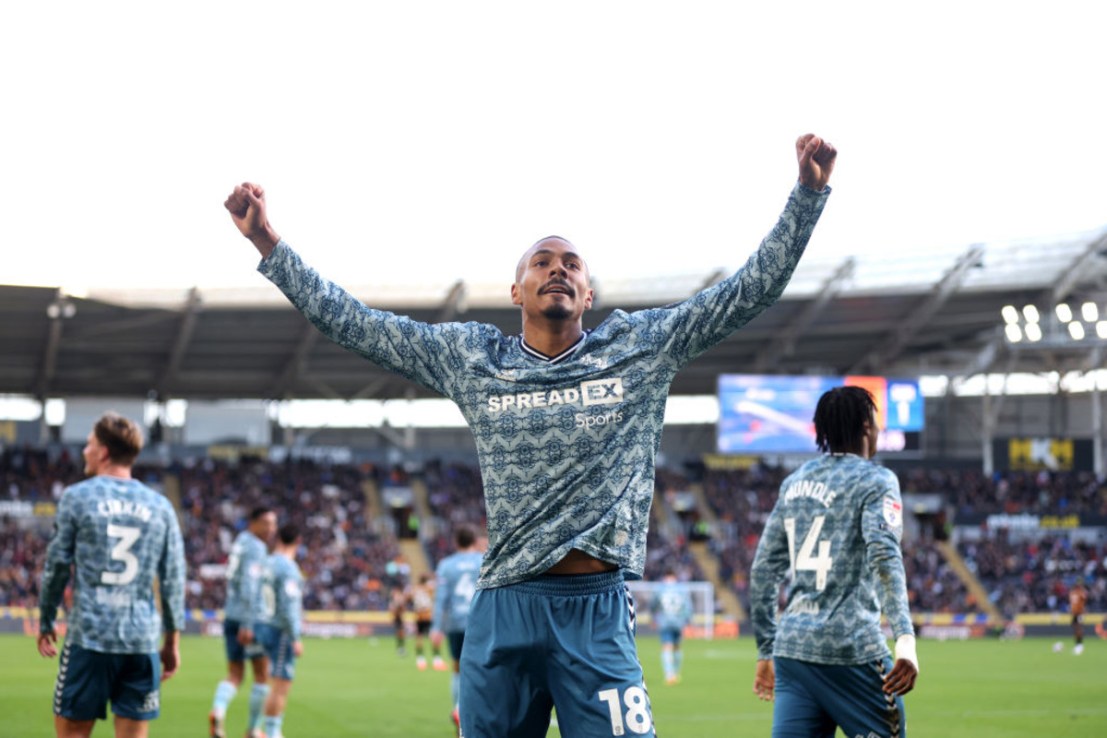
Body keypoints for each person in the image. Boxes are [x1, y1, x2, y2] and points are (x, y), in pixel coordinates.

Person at [225, 132, 836, 737]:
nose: (557, 270)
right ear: (516, 291)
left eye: (571, 264)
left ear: (588, 294)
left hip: (596, 611)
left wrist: (808, 194)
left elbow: (750, 290)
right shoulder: (474, 358)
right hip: (504, 608)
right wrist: (267, 241)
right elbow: (355, 323)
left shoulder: (641, 348)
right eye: (541, 262)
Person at [749, 386, 919, 738]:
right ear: (866, 427)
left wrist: (767, 648)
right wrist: (904, 639)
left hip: (794, 651)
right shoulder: (877, 480)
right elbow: (884, 555)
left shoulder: (794, 483)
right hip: (851, 651)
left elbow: (764, 570)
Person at [37, 412, 185, 738]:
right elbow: (173, 577)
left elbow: (57, 567)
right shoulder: (160, 506)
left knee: (73, 733)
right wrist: (172, 639)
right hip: (140, 640)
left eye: (89, 444)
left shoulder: (77, 497)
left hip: (89, 637)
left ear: (103, 451)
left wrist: (46, 619)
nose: (84, 451)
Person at [209, 506, 277, 738]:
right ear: (253, 523)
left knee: (234, 675)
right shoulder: (256, 548)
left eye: (274, 524)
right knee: (261, 675)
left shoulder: (240, 542)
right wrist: (248, 624)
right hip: (252, 619)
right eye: (267, 523)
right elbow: (250, 586)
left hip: (231, 615)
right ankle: (253, 729)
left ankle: (218, 710)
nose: (271, 529)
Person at [430, 525, 483, 730]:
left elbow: (440, 598)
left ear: (456, 543)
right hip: (479, 622)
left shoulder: (446, 565)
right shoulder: (483, 560)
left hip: (455, 622)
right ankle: (474, 710)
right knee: (480, 668)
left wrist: (436, 627)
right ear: (474, 541)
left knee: (457, 668)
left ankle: (458, 709)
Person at [254, 523, 305, 738]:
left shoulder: (266, 562)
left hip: (263, 625)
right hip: (280, 630)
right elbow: (288, 606)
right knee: (281, 684)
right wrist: (295, 636)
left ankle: (256, 728)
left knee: (266, 681)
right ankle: (273, 732)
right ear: (298, 542)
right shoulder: (288, 567)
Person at [650, 569, 694, 685]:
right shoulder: (682, 589)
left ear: (665, 576)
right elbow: (688, 606)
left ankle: (670, 675)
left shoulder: (660, 588)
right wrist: (688, 620)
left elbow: (653, 604)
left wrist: (653, 618)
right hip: (679, 622)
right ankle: (677, 672)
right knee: (677, 646)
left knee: (667, 647)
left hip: (665, 621)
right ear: (675, 576)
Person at [409, 572, 444, 671]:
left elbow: (410, 598)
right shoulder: (429, 588)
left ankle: (420, 660)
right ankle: (437, 660)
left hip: (419, 616)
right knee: (435, 637)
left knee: (419, 637)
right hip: (428, 615)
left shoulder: (415, 589)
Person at [1069, 578, 1088, 655]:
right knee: (1075, 628)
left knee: (1079, 628)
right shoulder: (1073, 593)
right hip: (1074, 613)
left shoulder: (1080, 593)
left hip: (1080, 613)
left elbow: (1084, 600)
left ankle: (1080, 645)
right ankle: (1077, 644)